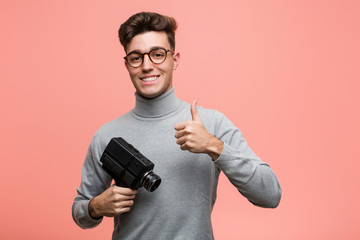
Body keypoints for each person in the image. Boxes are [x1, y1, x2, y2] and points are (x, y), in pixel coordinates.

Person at [72, 12, 281, 239]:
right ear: (127, 65)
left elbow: (270, 195)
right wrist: (94, 207)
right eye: (136, 57)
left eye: (158, 54)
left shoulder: (211, 124)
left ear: (175, 60)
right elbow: (80, 211)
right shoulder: (106, 136)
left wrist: (214, 146)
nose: (147, 66)